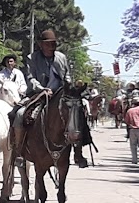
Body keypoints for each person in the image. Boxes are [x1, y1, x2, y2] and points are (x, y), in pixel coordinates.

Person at [10, 29, 88, 167]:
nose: (51, 46)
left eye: (53, 44)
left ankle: (78, 151)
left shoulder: (61, 58)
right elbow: (30, 77)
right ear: (41, 44)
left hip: (60, 93)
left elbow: (67, 75)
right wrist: (42, 89)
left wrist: (69, 87)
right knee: (19, 114)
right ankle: (19, 150)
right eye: (48, 44)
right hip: (38, 94)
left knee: (78, 112)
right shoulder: (32, 58)